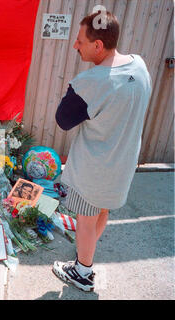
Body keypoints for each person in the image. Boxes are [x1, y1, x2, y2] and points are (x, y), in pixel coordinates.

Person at [52, 11, 152, 292]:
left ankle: (83, 273)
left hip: (95, 168)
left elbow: (63, 119)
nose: (75, 46)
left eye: (80, 41)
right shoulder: (140, 66)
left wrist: (76, 88)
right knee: (102, 211)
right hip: (122, 164)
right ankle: (84, 259)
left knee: (85, 219)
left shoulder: (92, 82)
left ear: (98, 46)